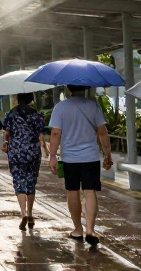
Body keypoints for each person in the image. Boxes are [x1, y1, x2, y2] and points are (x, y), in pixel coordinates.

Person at [48, 86, 114, 248]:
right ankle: (90, 229)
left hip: (70, 158)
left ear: (68, 89)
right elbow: (102, 132)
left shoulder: (60, 107)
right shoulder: (93, 105)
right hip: (90, 157)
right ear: (85, 87)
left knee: (72, 191)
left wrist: (52, 155)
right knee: (90, 191)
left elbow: (55, 133)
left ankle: (78, 229)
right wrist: (108, 154)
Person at [1, 92, 47, 230]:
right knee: (31, 182)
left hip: (16, 152)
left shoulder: (11, 114)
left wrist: (6, 142)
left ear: (18, 99)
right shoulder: (36, 115)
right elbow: (41, 134)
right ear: (31, 99)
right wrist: (46, 150)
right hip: (33, 151)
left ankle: (23, 213)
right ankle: (31, 213)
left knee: (19, 181)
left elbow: (7, 133)